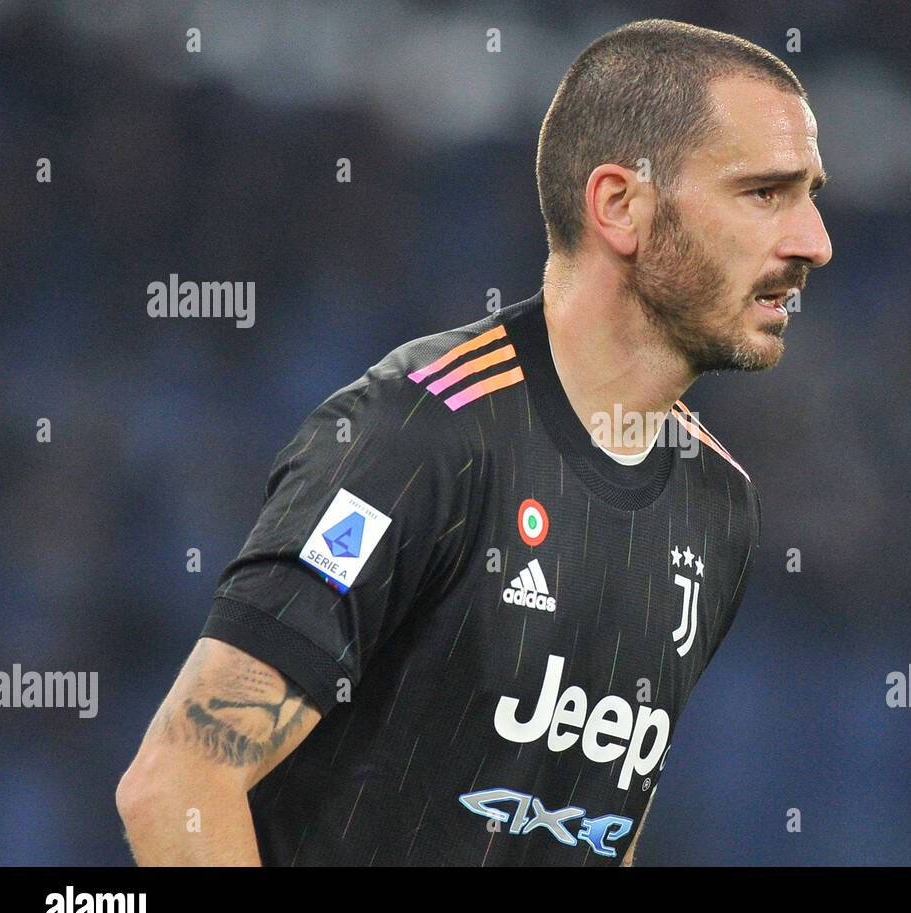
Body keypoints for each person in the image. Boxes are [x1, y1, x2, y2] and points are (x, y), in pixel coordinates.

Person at [116, 17, 831, 866]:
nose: (813, 243)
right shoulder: (421, 434)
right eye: (763, 194)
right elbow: (178, 786)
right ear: (621, 206)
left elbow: (593, 825)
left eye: (811, 195)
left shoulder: (718, 507)